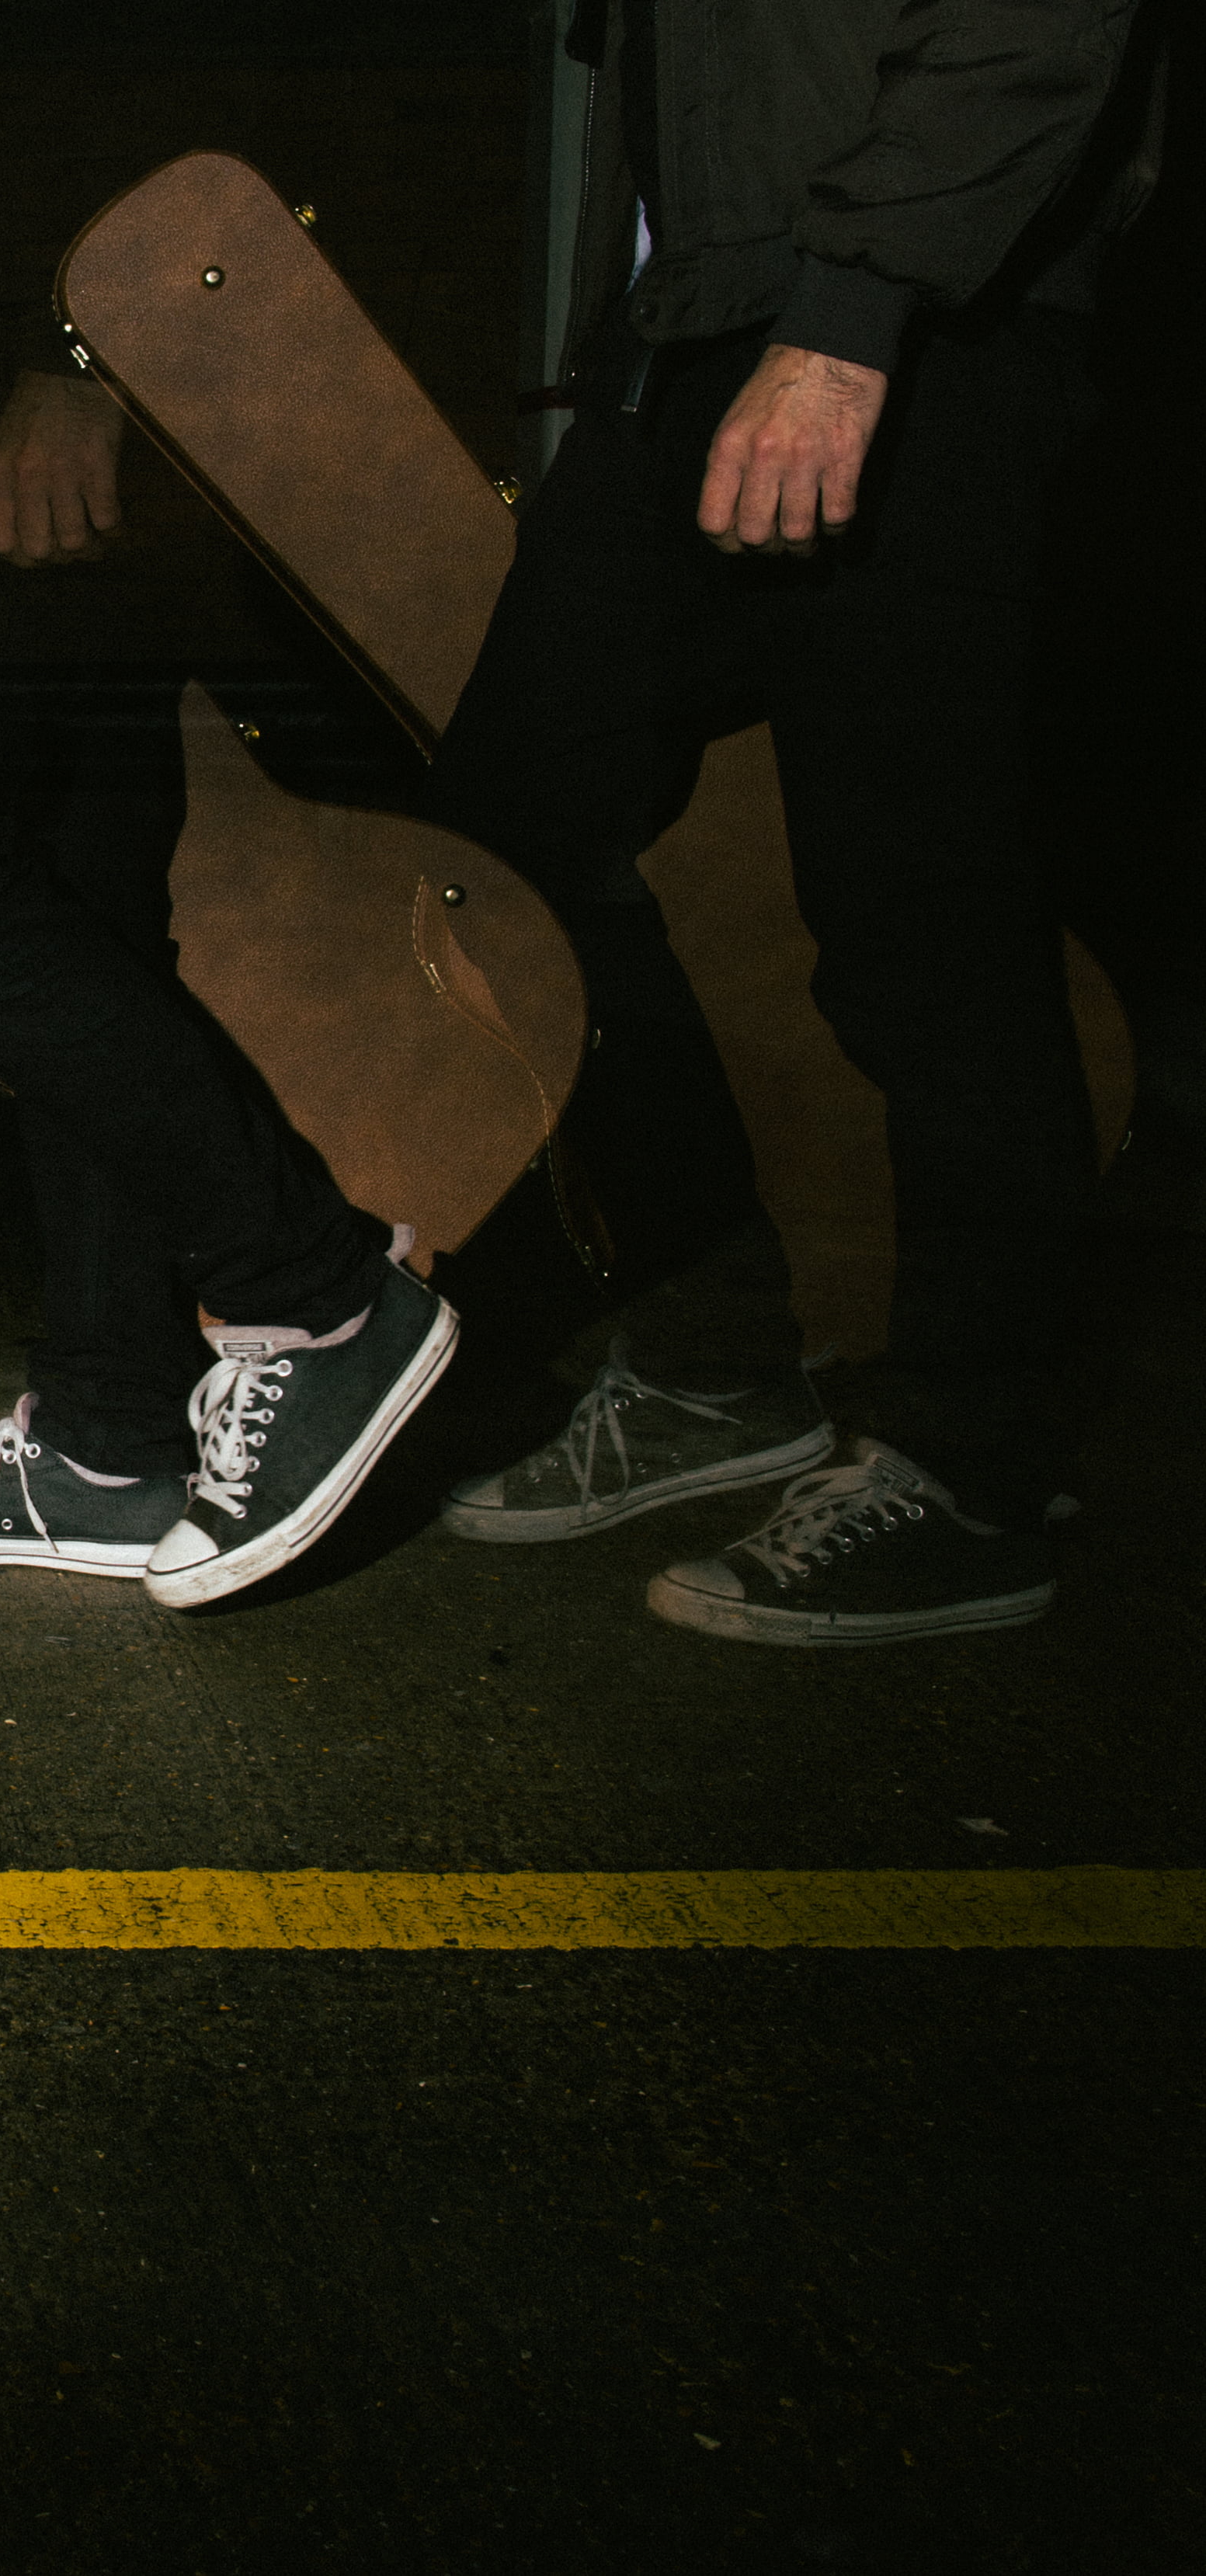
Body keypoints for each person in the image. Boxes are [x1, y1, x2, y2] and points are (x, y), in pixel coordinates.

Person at [428, 0, 1163, 1644]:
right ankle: (716, 1359)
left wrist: (846, 325)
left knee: (919, 920)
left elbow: (1033, 28)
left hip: (923, 332)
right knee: (500, 856)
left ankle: (971, 1469)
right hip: (698, 324)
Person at [0, 318, 449, 1610]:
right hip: (6, 419)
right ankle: (109, 1440)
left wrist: (76, 354)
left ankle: (320, 1294)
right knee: (84, 912)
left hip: (23, 405)